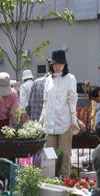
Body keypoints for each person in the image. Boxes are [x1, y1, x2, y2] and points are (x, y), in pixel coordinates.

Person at [39, 49, 78, 177]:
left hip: (64, 122)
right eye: (55, 64)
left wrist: (74, 120)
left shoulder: (70, 78)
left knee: (65, 155)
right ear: (51, 65)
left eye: (60, 64)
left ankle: (65, 182)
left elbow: (72, 100)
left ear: (65, 64)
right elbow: (45, 101)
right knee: (49, 154)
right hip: (49, 123)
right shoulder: (48, 80)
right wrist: (42, 118)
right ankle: (50, 182)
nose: (57, 67)